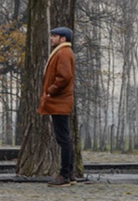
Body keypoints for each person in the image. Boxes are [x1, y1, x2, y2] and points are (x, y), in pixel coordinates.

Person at [38, 26, 76, 187]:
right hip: (59, 101)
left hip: (59, 101)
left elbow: (64, 76)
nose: (52, 38)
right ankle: (70, 174)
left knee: (63, 139)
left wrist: (50, 91)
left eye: (55, 36)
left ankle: (64, 175)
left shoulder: (64, 53)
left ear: (63, 39)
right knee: (65, 139)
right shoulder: (63, 52)